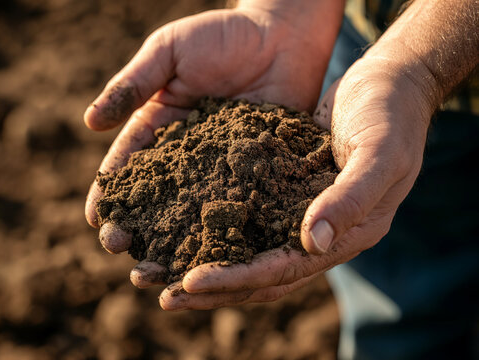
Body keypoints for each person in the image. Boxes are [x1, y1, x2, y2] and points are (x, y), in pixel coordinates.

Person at [84, 0, 479, 358]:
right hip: (378, 45)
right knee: (407, 292)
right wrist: (282, 13)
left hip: (420, 58)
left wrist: (418, 64)